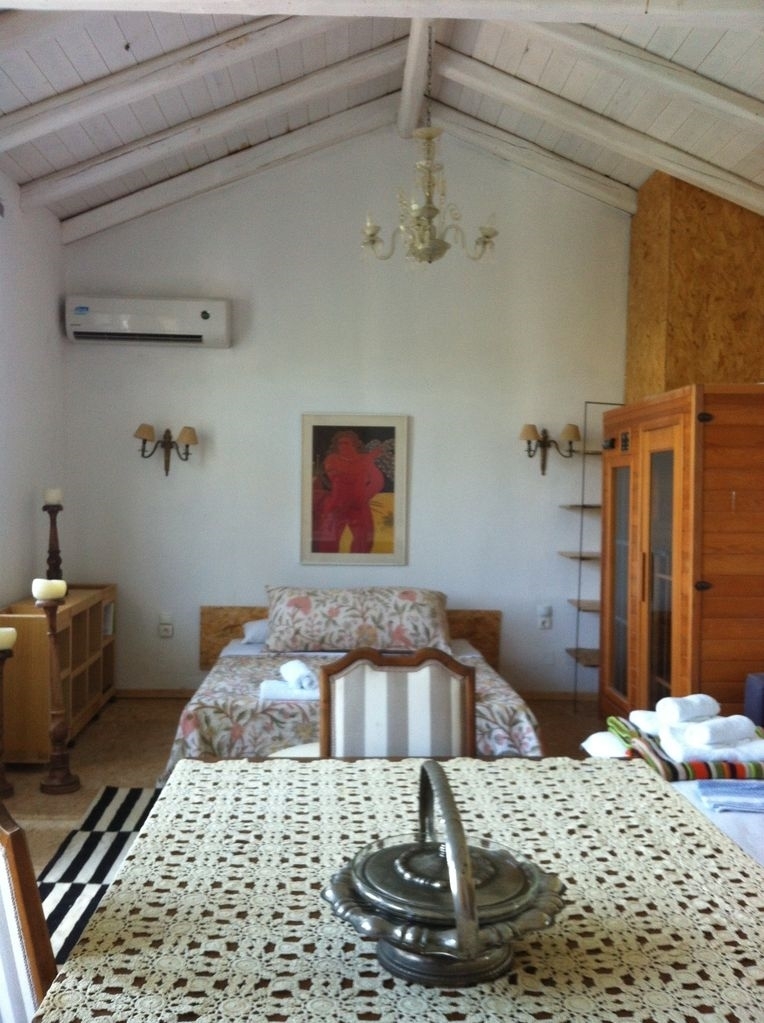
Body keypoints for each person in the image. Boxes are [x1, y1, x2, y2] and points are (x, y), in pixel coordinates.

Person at [312, 430, 391, 553]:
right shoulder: (332, 459)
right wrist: (368, 459)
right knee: (328, 541)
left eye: (346, 443)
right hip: (337, 505)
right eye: (340, 443)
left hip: (359, 506)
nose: (343, 446)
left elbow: (377, 481)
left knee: (364, 539)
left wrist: (365, 496)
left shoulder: (364, 459)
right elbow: (343, 475)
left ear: (354, 444)